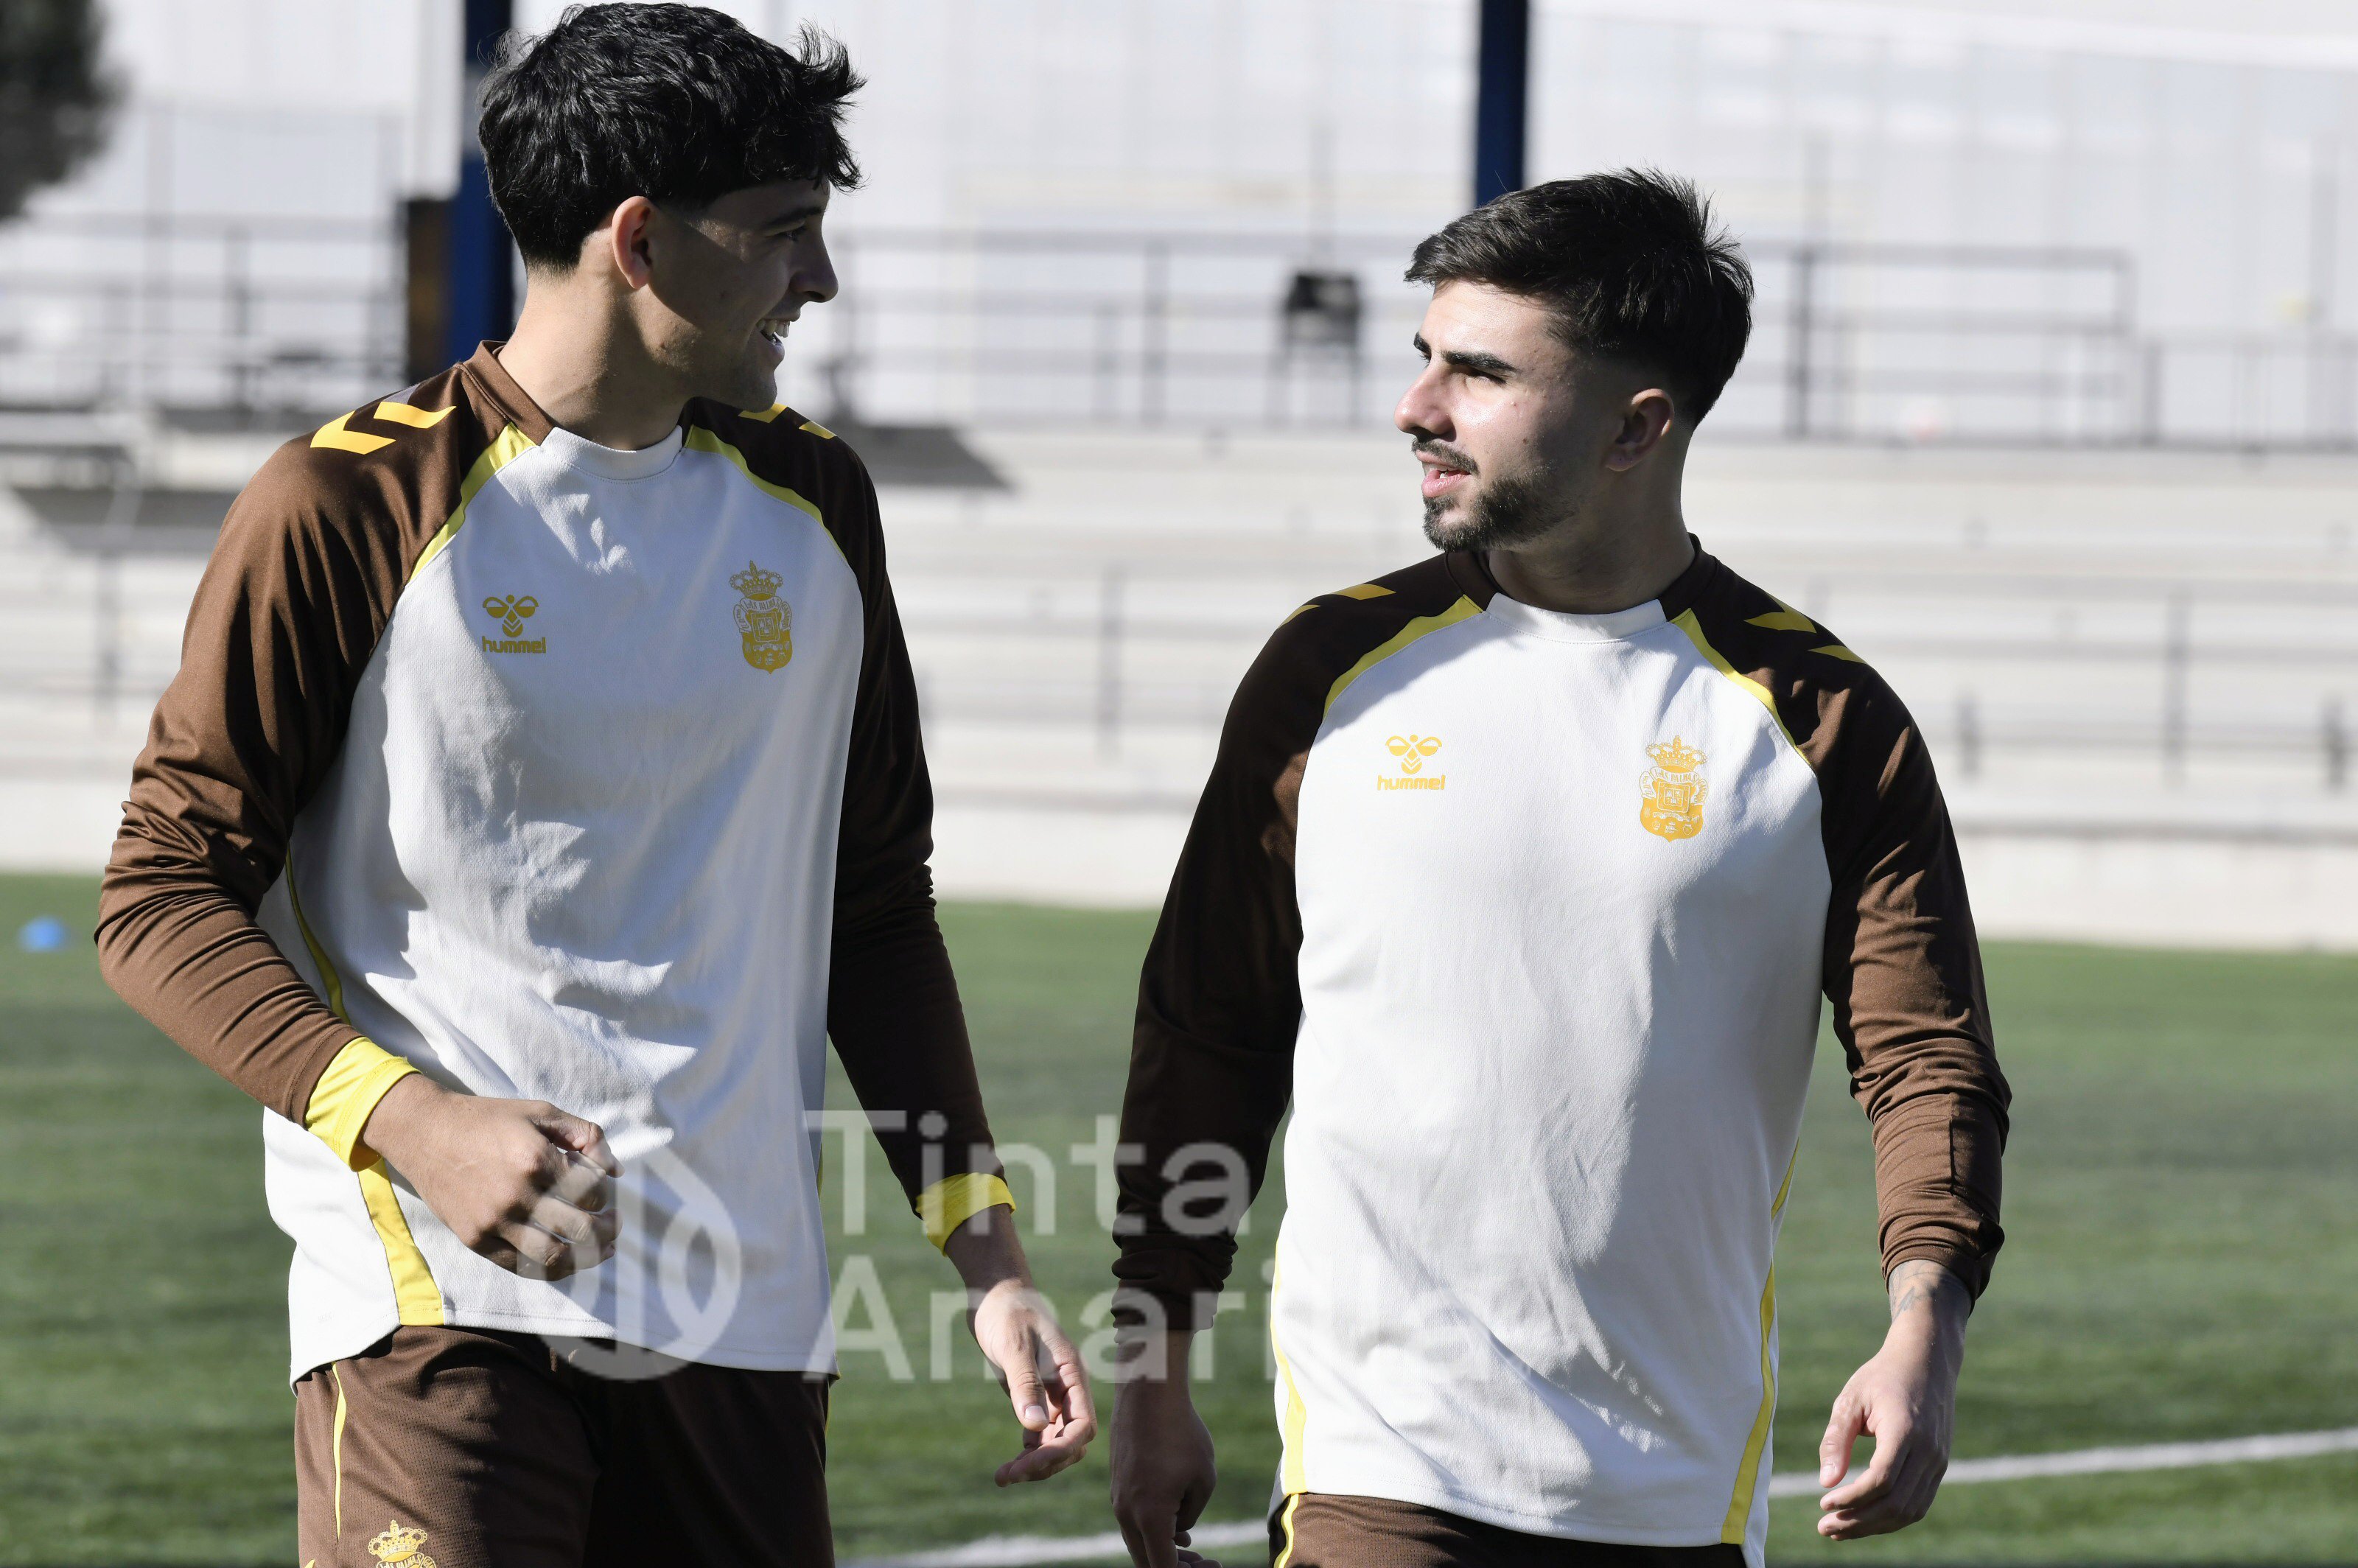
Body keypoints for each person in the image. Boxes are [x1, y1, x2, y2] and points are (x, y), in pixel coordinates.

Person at [96, 8, 1091, 1566]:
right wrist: (414, 1120)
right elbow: (157, 898)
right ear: (637, 239)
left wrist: (991, 1255)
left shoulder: (816, 501)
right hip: (440, 1316)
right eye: (782, 235)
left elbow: (874, 909)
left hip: (747, 1317)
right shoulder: (350, 502)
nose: (815, 283)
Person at [1105, 171, 2009, 1568]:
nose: (1418, 408)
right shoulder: (1326, 675)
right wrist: (1156, 1362)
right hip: (1378, 1463)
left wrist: (1923, 1329)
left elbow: (1926, 1056)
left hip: (1679, 1489)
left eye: (1478, 373)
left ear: (1637, 427)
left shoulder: (1824, 721)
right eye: (1425, 361)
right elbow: (1209, 1033)